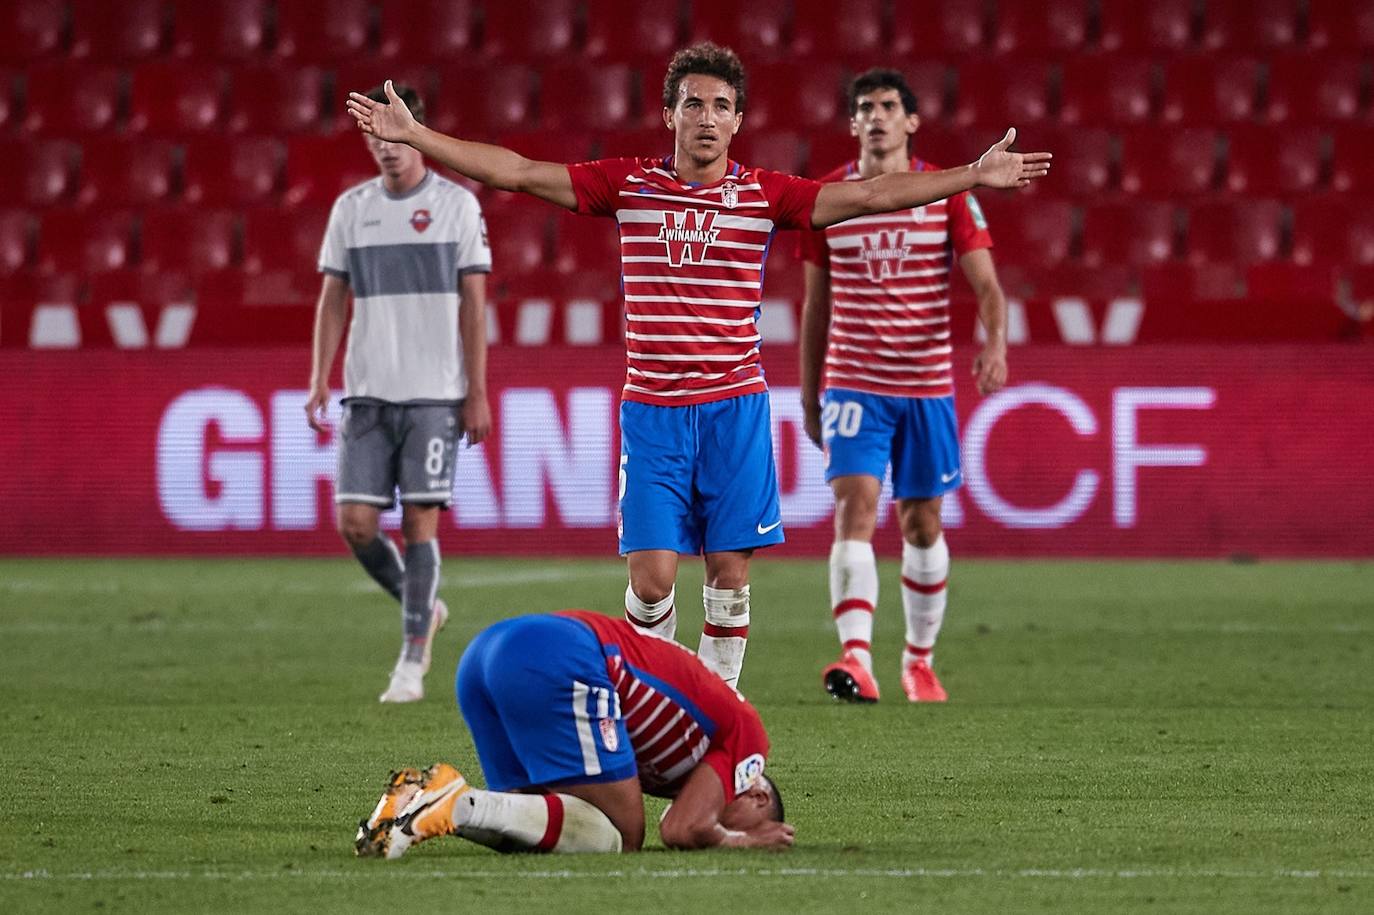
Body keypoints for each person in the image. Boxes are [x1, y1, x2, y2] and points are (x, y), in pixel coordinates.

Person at [344, 45, 1048, 691]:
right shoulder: (628, 186)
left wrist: (971, 176)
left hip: (734, 409)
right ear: (668, 113)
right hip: (652, 411)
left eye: (720, 106)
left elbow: (870, 196)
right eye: (693, 103)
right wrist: (419, 137)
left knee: (729, 576)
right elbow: (521, 172)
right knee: (650, 581)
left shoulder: (765, 195)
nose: (706, 118)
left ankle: (714, 707)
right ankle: (661, 689)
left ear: (738, 120)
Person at [798, 69, 1013, 704]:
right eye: (865, 106)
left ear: (912, 121)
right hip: (853, 382)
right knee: (855, 508)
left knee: (921, 524)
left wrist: (995, 340)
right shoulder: (828, 197)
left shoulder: (946, 192)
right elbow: (817, 307)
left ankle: (918, 661)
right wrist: (809, 393)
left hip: (925, 385)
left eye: (890, 106)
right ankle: (856, 658)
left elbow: (989, 287)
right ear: (853, 123)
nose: (877, 115)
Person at [305, 82, 493, 704]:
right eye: (371, 133)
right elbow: (333, 299)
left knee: (420, 523)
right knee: (355, 524)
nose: (382, 145)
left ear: (414, 130)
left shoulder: (458, 207)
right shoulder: (351, 210)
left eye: (391, 130)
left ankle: (412, 657)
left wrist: (476, 391)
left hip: (434, 394)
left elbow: (474, 305)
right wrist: (318, 378)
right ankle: (425, 607)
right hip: (367, 392)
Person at [354, 610, 792, 856]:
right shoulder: (748, 739)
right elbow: (684, 829)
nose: (715, 813)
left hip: (488, 651)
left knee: (531, 825)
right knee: (622, 836)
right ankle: (453, 800)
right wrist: (746, 838)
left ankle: (416, 807)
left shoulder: (689, 755)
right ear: (755, 795)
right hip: (564, 655)